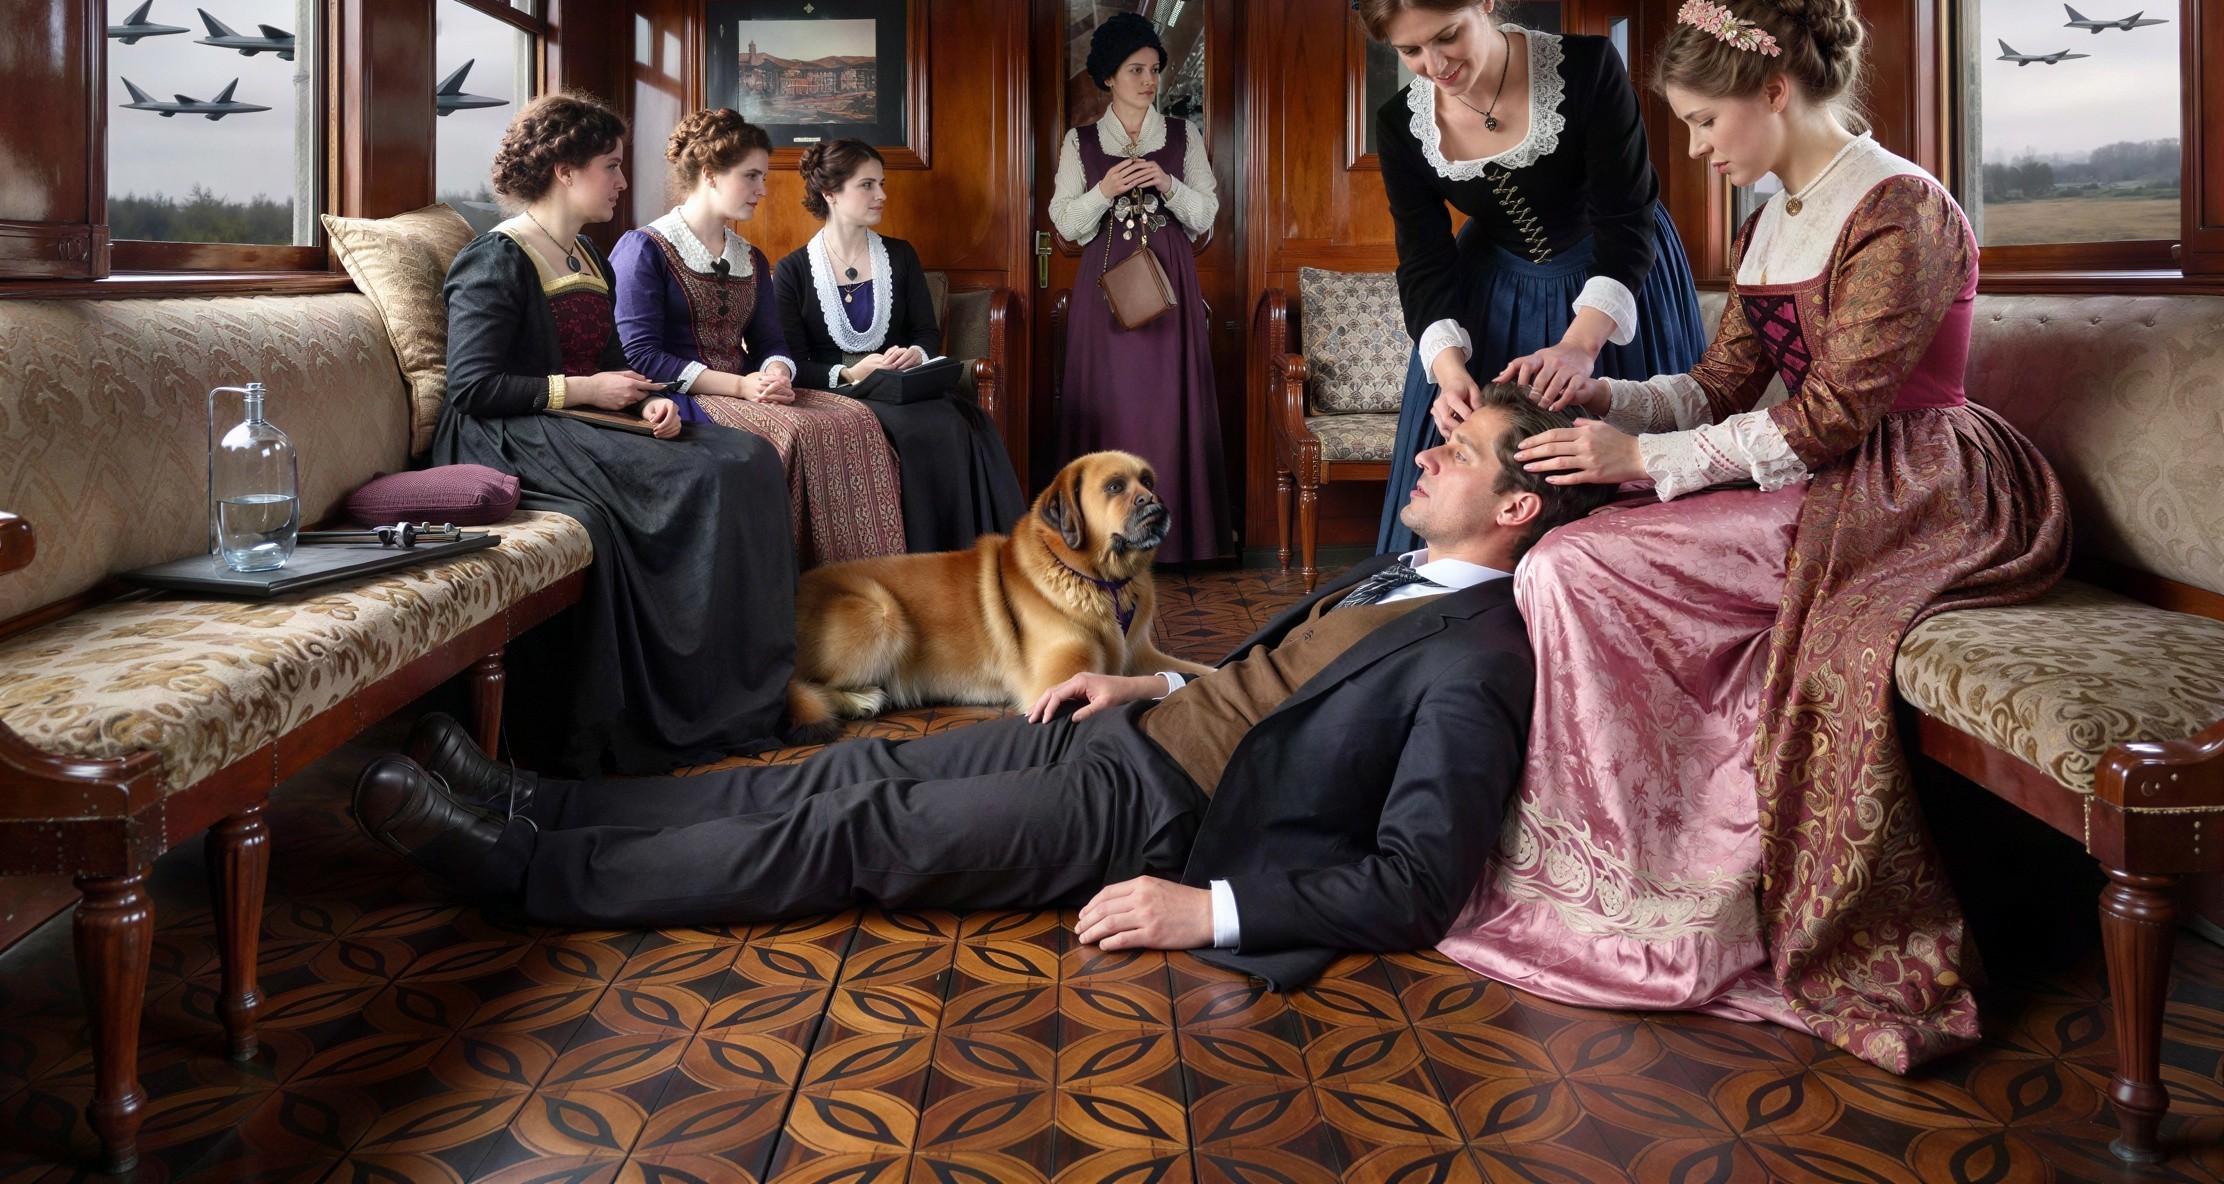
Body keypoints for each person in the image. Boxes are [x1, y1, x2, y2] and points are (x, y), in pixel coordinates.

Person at [352, 387, 1613, 982]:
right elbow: (1282, 683)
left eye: (1463, 450)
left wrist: (1206, 909)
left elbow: (1416, 879)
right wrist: (1143, 691)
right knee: (846, 762)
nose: (1430, 445)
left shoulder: (1477, 654)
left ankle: (517, 870)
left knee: (859, 826)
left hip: (1164, 820)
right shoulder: (1400, 567)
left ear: (1513, 503)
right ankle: (540, 805)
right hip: (1136, 734)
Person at [1436, 0, 2070, 1074]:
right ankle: (1639, 875)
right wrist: (1609, 401)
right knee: (1573, 549)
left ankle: (1680, 886)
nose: (1694, 149)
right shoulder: (1778, 212)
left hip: (1913, 482)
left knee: (1579, 561)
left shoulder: (1899, 207)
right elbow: (1723, 383)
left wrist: (1645, 461)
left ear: (1773, 89)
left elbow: (1831, 419)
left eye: (1702, 122)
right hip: (1819, 466)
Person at [432, 93, 799, 777]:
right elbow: (471, 388)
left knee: (749, 456)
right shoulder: (496, 257)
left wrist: (647, 404)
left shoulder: (587, 255)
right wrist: (590, 392)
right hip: (507, 433)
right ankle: (673, 702)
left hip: (577, 420)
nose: (622, 183)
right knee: (702, 477)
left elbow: (609, 364)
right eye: (611, 167)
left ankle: (739, 692)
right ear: (565, 170)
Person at [1353, 0, 1707, 555]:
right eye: (1411, 51)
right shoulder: (1401, 124)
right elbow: (1424, 257)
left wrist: (1581, 345)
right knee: (1488, 500)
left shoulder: (1588, 67)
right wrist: (1450, 365)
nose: (1437, 66)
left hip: (1616, 285)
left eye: (1447, 35)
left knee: (1610, 500)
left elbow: (1628, 218)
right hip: (1495, 299)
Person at [611, 111, 905, 567]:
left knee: (856, 421)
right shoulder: (645, 248)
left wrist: (774, 371)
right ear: (709, 174)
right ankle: (796, 588)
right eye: (751, 176)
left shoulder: (748, 255)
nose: (763, 189)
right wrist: (740, 386)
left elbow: (771, 341)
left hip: (749, 392)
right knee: (801, 432)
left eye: (763, 176)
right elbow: (641, 355)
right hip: (682, 397)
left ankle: (866, 589)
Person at [772, 139, 1026, 553]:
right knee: (911, 430)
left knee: (957, 423)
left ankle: (966, 557)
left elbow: (926, 333)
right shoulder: (793, 271)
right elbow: (793, 361)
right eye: (868, 185)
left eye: (882, 183)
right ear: (831, 193)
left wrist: (917, 355)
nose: (882, 195)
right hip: (837, 394)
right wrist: (852, 373)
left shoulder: (901, 256)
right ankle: (911, 562)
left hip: (904, 387)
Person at [1049, 12, 1230, 564]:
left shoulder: (1182, 135)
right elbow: (1064, 223)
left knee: (1167, 405)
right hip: (1103, 295)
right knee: (1109, 405)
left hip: (1168, 286)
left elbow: (1205, 215)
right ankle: (1101, 536)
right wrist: (1104, 189)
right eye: (1136, 69)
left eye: (1154, 69)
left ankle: (1174, 544)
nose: (1149, 80)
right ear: (1108, 76)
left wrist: (1167, 183)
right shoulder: (1080, 142)